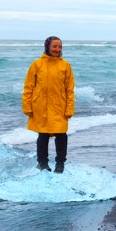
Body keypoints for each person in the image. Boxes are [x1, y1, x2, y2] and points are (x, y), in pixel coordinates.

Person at [22, 36, 75, 172]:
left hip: (59, 105)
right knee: (43, 135)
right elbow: (28, 87)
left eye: (59, 47)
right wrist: (27, 106)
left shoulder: (65, 65)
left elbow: (69, 90)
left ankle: (60, 164)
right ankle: (43, 163)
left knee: (61, 134)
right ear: (47, 47)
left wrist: (69, 108)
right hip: (40, 106)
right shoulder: (37, 64)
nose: (57, 49)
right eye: (54, 46)